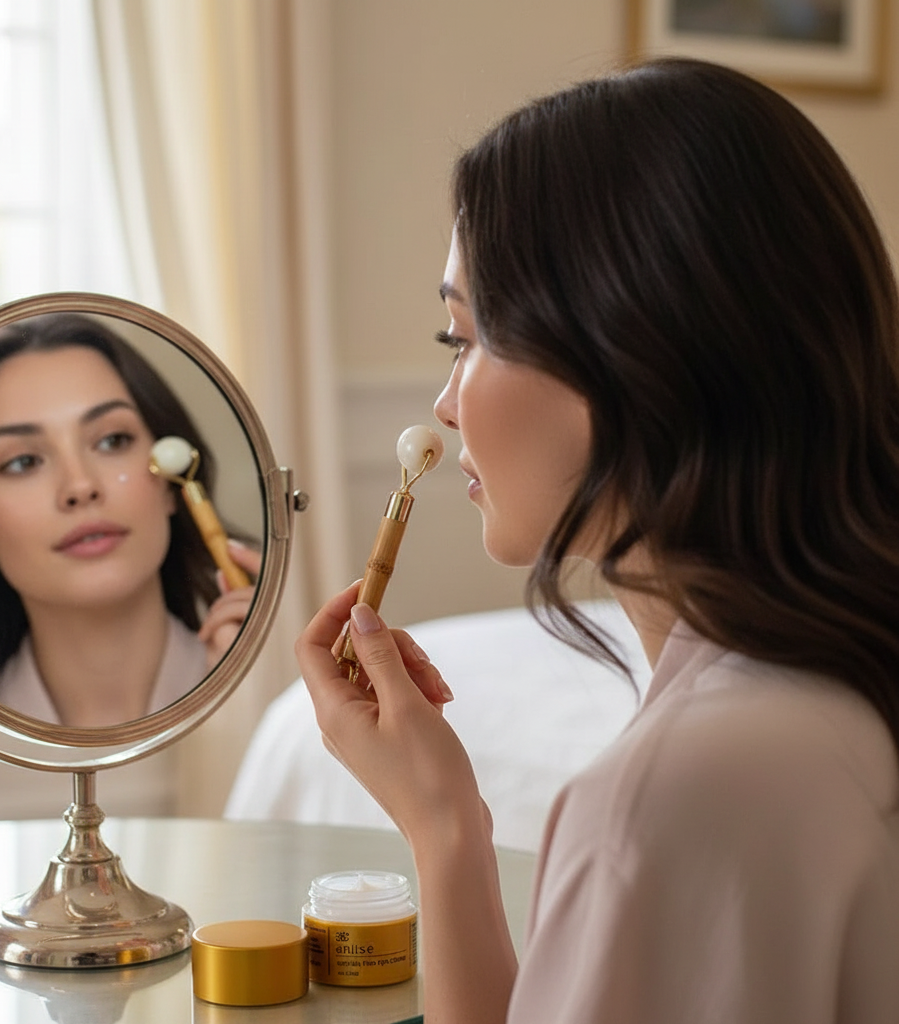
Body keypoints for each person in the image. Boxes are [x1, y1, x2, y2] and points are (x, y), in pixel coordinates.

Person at [297, 58, 899, 1023]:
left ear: (632, 347)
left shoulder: (684, 793)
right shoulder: (814, 692)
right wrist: (445, 821)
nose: (446, 408)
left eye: (465, 338)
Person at [0, 312, 260, 727]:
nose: (80, 486)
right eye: (23, 462)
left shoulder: (281, 713)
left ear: (171, 484)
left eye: (112, 440)